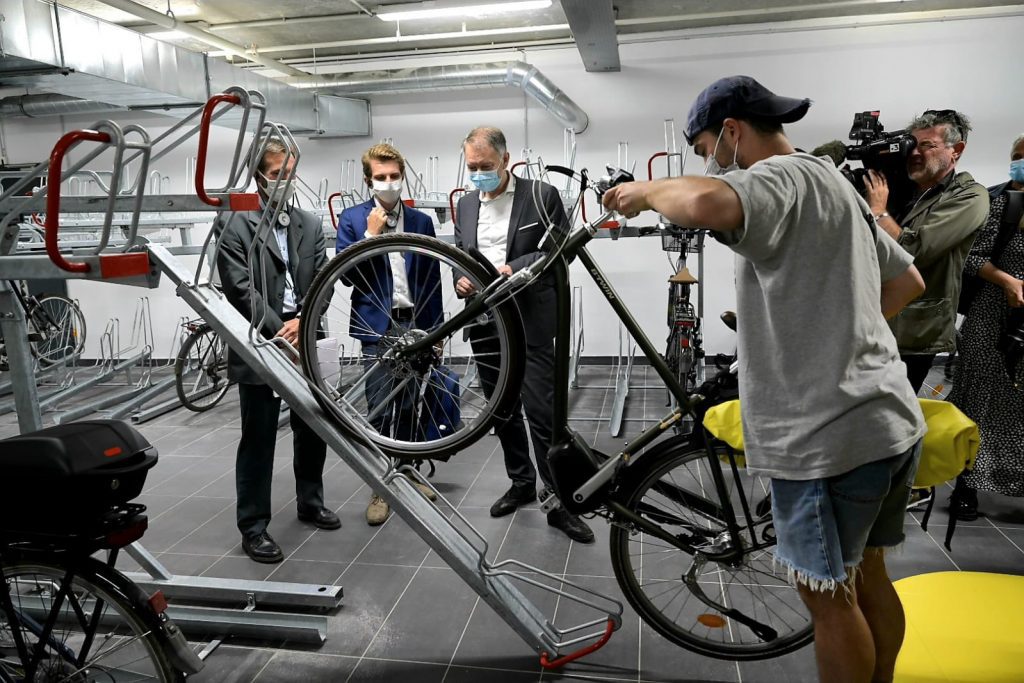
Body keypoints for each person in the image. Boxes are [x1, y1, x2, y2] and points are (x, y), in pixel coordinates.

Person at [602, 76, 927, 683]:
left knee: (829, 601)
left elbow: (702, 205)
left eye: (703, 151)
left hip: (825, 437)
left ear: (731, 132)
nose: (707, 164)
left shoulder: (775, 176)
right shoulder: (835, 182)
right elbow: (909, 284)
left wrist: (643, 192)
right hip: (888, 417)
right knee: (869, 575)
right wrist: (829, 325)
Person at [453, 126, 594, 544]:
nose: (478, 174)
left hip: (529, 317)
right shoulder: (464, 204)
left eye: (486, 166)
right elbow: (461, 250)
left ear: (506, 159)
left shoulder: (540, 195)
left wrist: (516, 268)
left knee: (542, 412)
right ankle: (520, 482)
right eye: (472, 167)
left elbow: (560, 246)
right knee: (502, 411)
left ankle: (559, 500)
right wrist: (462, 277)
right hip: (485, 321)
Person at [217, 138, 340, 564]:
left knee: (313, 428)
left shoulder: (308, 221)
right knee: (259, 437)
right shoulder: (235, 225)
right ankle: (253, 526)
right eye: (276, 174)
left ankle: (310, 501)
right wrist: (279, 328)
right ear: (259, 177)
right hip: (260, 342)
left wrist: (303, 321)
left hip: (304, 335)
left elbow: (325, 276)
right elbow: (239, 289)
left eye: (290, 173)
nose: (284, 181)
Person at [336, 143, 443, 526]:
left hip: (415, 321)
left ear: (403, 175)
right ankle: (380, 484)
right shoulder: (351, 220)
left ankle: (410, 473)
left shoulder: (420, 222)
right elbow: (347, 276)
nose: (389, 182)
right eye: (380, 177)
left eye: (394, 175)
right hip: (376, 327)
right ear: (368, 181)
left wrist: (437, 329)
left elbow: (432, 278)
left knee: (414, 402)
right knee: (380, 405)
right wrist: (369, 236)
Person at [863, 110, 989, 394]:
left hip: (914, 334)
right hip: (870, 322)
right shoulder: (897, 187)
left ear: (956, 150)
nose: (915, 153)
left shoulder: (970, 196)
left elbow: (915, 251)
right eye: (912, 144)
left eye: (927, 145)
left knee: (891, 419)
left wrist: (880, 212)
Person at [946, 134, 1024, 520]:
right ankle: (965, 485)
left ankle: (1013, 482)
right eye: (1018, 157)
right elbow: (971, 257)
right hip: (990, 318)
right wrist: (1009, 282)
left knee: (1017, 408)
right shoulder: (1000, 203)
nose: (1020, 164)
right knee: (977, 401)